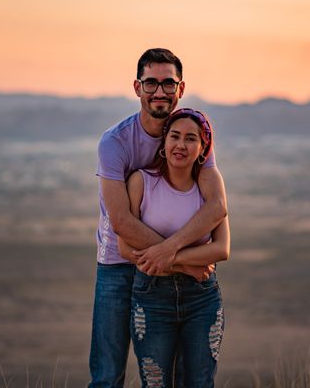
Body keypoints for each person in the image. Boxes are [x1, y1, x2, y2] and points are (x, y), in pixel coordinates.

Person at [89, 48, 228, 388]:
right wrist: (184, 261)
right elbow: (121, 221)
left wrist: (171, 256)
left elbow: (215, 206)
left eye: (169, 83)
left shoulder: (192, 134)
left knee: (180, 376)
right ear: (137, 88)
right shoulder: (115, 142)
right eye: (151, 83)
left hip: (164, 271)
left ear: (181, 89)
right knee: (108, 373)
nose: (160, 91)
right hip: (118, 263)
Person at [118, 108, 230, 388]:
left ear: (203, 148)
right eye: (175, 136)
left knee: (200, 382)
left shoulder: (210, 185)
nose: (181, 145)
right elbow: (124, 247)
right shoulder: (141, 181)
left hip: (202, 298)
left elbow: (221, 249)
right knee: (155, 383)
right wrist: (187, 264)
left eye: (191, 139)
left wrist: (166, 253)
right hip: (152, 297)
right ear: (164, 142)